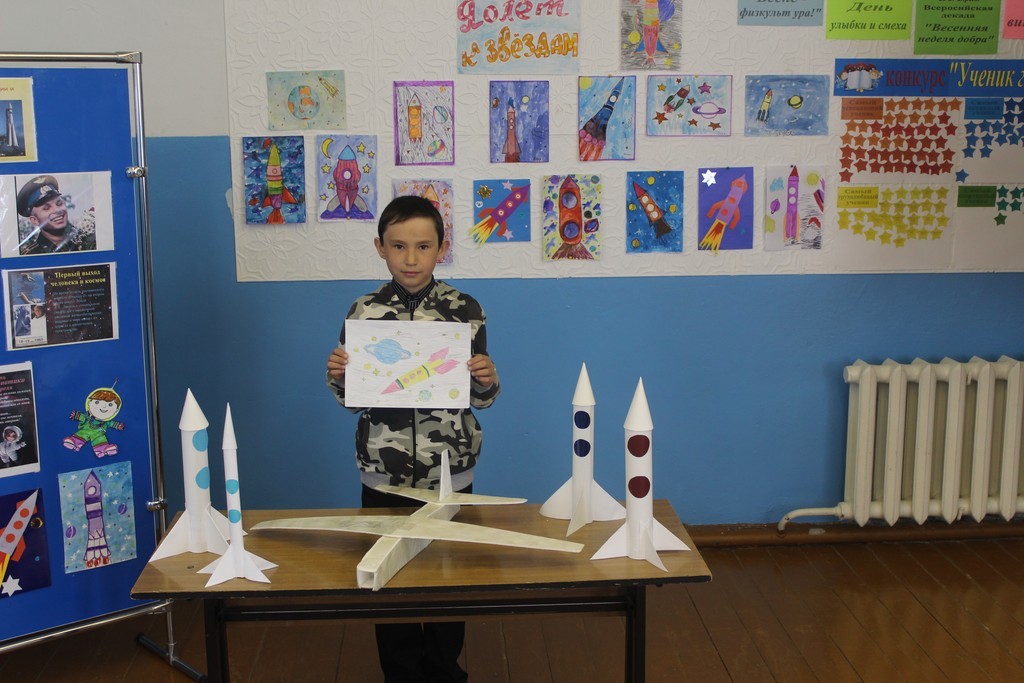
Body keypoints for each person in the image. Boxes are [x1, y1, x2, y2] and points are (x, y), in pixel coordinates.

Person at [326, 195, 499, 683]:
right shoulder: (364, 310)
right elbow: (353, 399)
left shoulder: (465, 309)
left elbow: (479, 396)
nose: (410, 258)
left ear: (441, 248)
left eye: (423, 246)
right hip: (383, 473)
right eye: (398, 246)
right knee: (388, 573)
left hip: (450, 469)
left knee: (449, 573)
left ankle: (445, 669)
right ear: (380, 247)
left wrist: (486, 380)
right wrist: (339, 376)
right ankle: (400, 673)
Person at [16, 174, 96, 255]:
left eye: (59, 203)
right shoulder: (31, 255)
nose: (57, 210)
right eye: (46, 208)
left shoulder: (83, 242)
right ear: (35, 220)